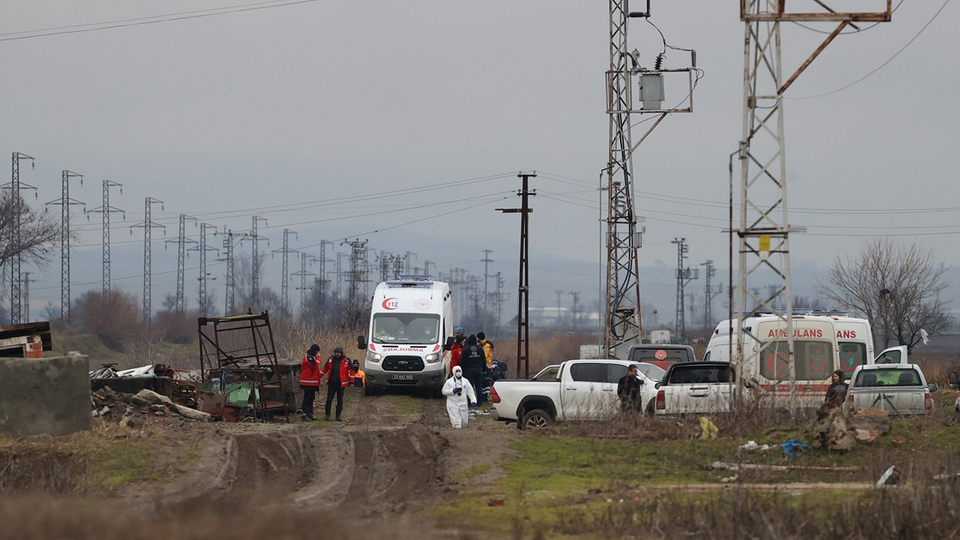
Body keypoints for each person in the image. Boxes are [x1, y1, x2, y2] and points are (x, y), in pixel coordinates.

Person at [320, 346, 352, 421]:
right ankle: (327, 415)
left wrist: (352, 381)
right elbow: (325, 368)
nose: (337, 354)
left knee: (340, 400)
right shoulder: (331, 360)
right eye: (336, 353)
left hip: (341, 384)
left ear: (341, 353)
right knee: (329, 399)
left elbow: (352, 371)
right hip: (332, 383)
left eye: (339, 353)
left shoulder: (346, 360)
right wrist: (318, 376)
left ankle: (338, 416)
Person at [460, 334, 486, 406]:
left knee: (470, 387)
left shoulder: (465, 349)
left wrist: (461, 369)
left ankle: (470, 402)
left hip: (469, 370)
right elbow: (483, 360)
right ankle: (480, 402)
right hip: (479, 369)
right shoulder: (480, 348)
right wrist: (483, 369)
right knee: (479, 386)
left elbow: (462, 360)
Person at [299, 344, 321, 421]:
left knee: (311, 397)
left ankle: (309, 413)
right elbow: (314, 365)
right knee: (307, 398)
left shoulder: (311, 356)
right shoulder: (309, 357)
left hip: (312, 381)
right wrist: (318, 358)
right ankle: (305, 414)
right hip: (307, 381)